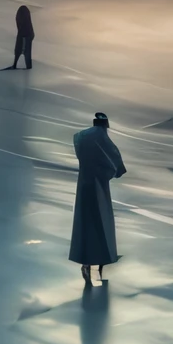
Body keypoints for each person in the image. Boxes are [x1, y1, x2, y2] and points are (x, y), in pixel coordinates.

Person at [70, 112, 124, 286]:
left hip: (84, 185)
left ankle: (86, 263)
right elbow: (115, 161)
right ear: (105, 125)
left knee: (85, 225)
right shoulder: (101, 138)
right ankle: (98, 268)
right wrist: (114, 172)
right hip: (98, 188)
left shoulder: (82, 137)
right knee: (101, 226)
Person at [9, 1, 34, 72]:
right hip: (26, 34)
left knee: (23, 51)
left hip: (25, 34)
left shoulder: (22, 13)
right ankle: (18, 65)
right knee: (22, 51)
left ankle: (17, 65)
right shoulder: (23, 12)